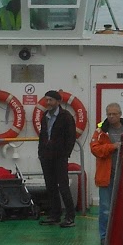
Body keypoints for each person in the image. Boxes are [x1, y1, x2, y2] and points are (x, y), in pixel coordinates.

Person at [89, 102, 123, 241]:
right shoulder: (100, 131)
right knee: (105, 209)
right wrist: (112, 147)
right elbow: (94, 149)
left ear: (120, 114)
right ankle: (104, 237)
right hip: (107, 176)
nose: (111, 117)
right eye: (109, 114)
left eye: (114, 114)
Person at [37, 89, 77, 227]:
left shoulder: (66, 117)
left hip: (60, 157)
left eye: (50, 100)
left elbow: (71, 137)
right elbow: (43, 135)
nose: (48, 102)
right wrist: (41, 153)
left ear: (58, 102)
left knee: (63, 186)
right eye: (46, 100)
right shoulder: (45, 116)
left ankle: (70, 216)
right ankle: (55, 214)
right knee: (50, 186)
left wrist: (65, 154)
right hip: (46, 157)